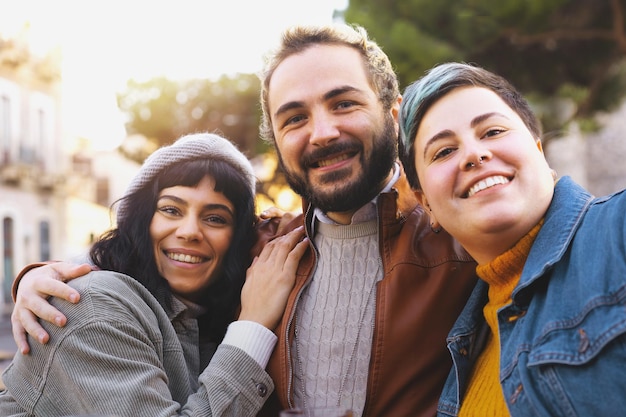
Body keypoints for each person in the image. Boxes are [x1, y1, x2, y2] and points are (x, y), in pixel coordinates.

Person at [10, 25, 479, 417]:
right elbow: (110, 288)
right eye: (294, 117)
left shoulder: (466, 240)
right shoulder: (262, 251)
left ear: (393, 113)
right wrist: (41, 282)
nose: (322, 132)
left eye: (344, 104)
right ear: (276, 139)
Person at [0, 132, 308, 416]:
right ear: (141, 219)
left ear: (238, 238)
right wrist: (253, 326)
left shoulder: (205, 314)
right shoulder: (89, 306)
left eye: (215, 218)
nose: (189, 232)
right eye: (171, 210)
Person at [398, 62, 626, 416]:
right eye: (444, 151)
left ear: (538, 149)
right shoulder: (463, 351)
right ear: (426, 203)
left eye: (492, 131)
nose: (474, 154)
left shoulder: (618, 230)